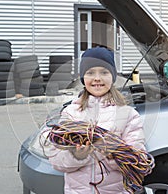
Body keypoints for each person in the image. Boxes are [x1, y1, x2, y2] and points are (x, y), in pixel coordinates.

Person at [48, 46, 146, 194]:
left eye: (104, 72)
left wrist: (112, 151)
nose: (97, 78)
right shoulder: (70, 114)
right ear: (83, 78)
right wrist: (78, 156)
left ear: (113, 77)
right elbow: (56, 161)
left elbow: (137, 160)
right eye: (90, 72)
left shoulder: (128, 115)